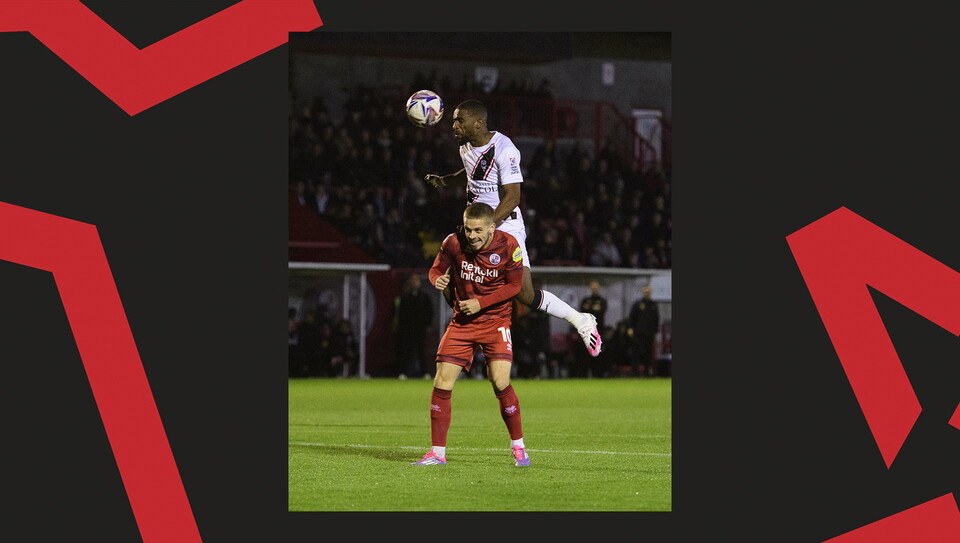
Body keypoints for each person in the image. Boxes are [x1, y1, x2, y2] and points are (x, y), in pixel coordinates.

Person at [425, 99, 601, 357]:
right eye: (453, 120)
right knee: (453, 277)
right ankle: (466, 337)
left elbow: (513, 197)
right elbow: (472, 172)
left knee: (524, 293)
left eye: (459, 120)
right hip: (478, 228)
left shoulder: (504, 149)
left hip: (504, 227)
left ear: (478, 123)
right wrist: (444, 181)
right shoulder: (466, 147)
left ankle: (581, 320)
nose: (453, 125)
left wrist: (490, 227)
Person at [411, 202, 530, 467]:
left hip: (496, 321)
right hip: (463, 322)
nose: (471, 235)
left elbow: (514, 286)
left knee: (499, 380)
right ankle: (437, 454)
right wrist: (436, 280)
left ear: (491, 227)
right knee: (442, 380)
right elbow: (435, 269)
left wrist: (481, 303)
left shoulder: (509, 245)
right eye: (468, 229)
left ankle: (519, 448)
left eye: (477, 230)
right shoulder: (453, 242)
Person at [393, 273, 433, 378]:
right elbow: (400, 313)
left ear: (419, 283)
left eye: (416, 280)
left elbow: (430, 312)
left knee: (421, 351)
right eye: (412, 280)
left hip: (420, 328)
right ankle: (403, 373)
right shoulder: (404, 297)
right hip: (407, 329)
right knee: (406, 351)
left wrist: (428, 325)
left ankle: (425, 373)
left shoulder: (425, 297)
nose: (414, 283)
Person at [628, 285, 660, 376]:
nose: (647, 293)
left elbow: (656, 319)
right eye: (645, 291)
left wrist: (655, 330)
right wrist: (630, 328)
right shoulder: (637, 304)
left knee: (648, 354)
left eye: (648, 291)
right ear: (643, 292)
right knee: (636, 353)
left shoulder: (653, 304)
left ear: (650, 292)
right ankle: (635, 372)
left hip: (649, 333)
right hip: (638, 332)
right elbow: (632, 317)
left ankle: (646, 373)